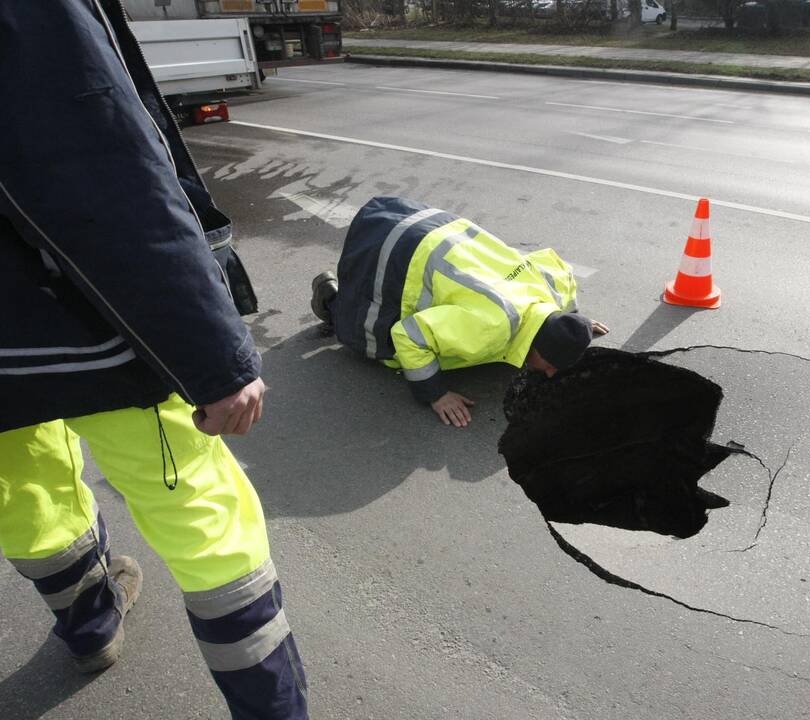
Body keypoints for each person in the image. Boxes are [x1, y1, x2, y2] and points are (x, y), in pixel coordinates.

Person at [0, 3, 307, 718]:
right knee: (201, 517)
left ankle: (89, 623)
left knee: (23, 488)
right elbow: (95, 167)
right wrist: (210, 355)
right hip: (82, 330)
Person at [311, 196, 608, 427]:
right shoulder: (490, 326)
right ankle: (330, 298)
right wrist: (435, 393)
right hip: (405, 251)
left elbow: (560, 269)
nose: (550, 373)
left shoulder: (550, 292)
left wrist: (572, 323)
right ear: (538, 344)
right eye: (552, 363)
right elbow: (409, 334)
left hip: (444, 232)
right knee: (369, 336)